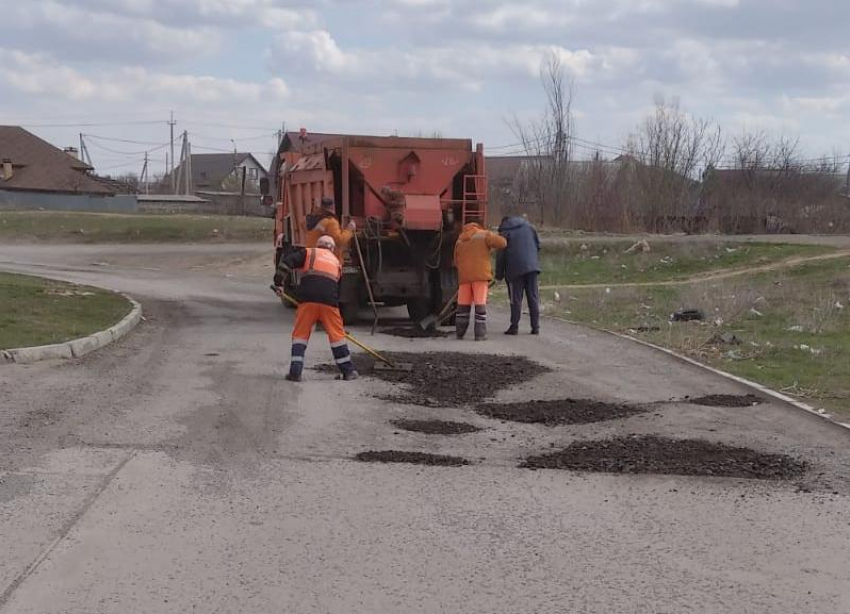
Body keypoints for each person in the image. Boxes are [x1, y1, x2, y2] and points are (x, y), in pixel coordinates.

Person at [273, 235, 358, 382]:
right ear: (331, 249)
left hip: (307, 301)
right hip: (329, 303)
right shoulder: (337, 262)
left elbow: (286, 263)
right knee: (338, 337)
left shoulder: (308, 253)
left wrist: (279, 283)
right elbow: (338, 290)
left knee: (300, 336)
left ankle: (295, 373)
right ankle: (348, 372)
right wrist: (327, 319)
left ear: (318, 245)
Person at [453, 220, 507, 340]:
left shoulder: (460, 239)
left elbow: (455, 260)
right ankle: (479, 334)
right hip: (480, 276)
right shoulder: (484, 234)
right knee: (480, 305)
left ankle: (460, 333)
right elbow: (502, 243)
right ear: (478, 225)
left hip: (464, 277)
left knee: (462, 307)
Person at [495, 214, 541, 335]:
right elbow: (538, 245)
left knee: (515, 299)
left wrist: (498, 276)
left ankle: (514, 326)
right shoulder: (530, 227)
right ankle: (535, 327)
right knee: (533, 296)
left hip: (514, 269)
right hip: (532, 267)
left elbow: (500, 255)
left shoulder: (505, 231)